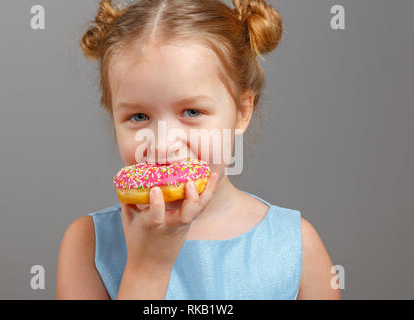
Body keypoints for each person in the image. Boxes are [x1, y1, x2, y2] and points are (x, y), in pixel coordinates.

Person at [56, 0, 341, 300]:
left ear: (242, 112)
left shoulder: (295, 246)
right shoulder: (88, 245)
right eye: (138, 117)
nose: (164, 145)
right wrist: (147, 268)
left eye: (191, 112)